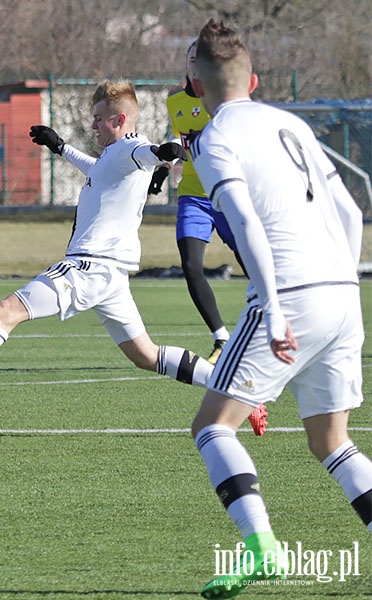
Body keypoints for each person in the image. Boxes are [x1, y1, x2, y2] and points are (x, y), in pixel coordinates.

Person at [0, 81, 227, 403]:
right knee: (146, 355)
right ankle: (233, 388)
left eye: (98, 118)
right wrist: (61, 147)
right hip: (112, 276)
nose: (94, 125)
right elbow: (98, 168)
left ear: (119, 120)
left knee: (7, 311)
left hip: (88, 268)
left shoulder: (129, 147)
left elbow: (146, 152)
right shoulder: (115, 156)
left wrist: (164, 152)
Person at [187, 20, 370, 598]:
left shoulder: (214, 138)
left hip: (289, 295)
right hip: (342, 291)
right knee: (332, 442)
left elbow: (241, 221)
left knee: (213, 427)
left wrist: (273, 304)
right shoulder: (291, 123)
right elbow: (352, 212)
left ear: (195, 79)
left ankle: (261, 548)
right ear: (255, 78)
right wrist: (344, 282)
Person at [150, 41, 246, 365]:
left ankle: (273, 327)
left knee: (252, 265)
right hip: (193, 194)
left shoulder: (222, 101)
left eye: (201, 61)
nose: (195, 66)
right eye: (191, 60)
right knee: (191, 265)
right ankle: (222, 338)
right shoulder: (174, 101)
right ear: (187, 64)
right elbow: (182, 139)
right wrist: (164, 169)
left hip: (228, 193)